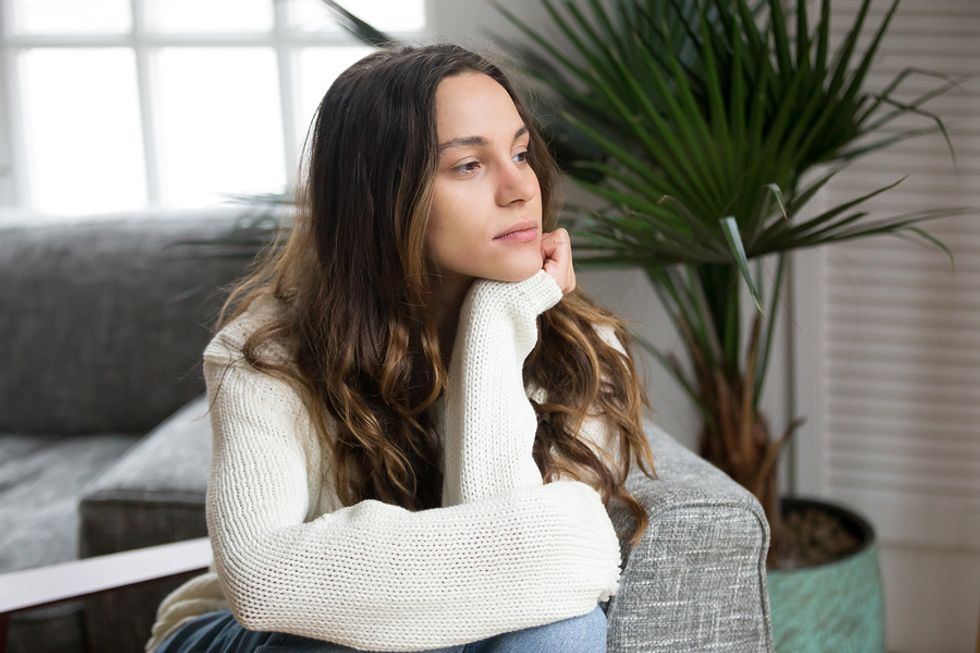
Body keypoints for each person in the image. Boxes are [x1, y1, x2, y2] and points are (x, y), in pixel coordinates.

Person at [145, 42, 658, 653]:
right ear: (382, 197)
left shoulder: (579, 346)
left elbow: (514, 588)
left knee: (558, 625)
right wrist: (564, 541)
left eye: (520, 152)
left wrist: (496, 326)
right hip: (252, 635)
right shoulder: (266, 354)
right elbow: (262, 583)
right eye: (468, 165)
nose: (520, 187)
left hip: (430, 626)